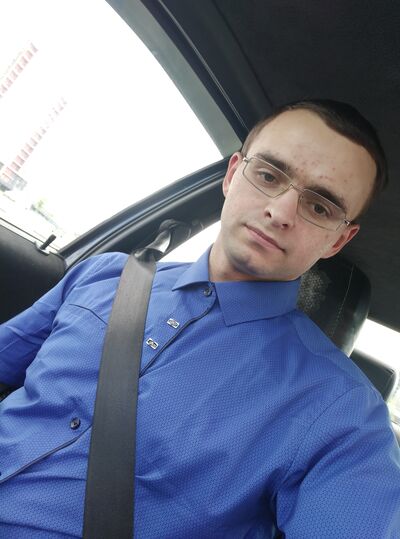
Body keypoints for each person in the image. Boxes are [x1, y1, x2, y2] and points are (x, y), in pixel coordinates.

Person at [0, 99, 399, 538]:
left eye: (320, 207)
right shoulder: (105, 275)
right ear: (232, 175)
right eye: (269, 176)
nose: (280, 213)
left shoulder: (343, 412)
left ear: (338, 241)